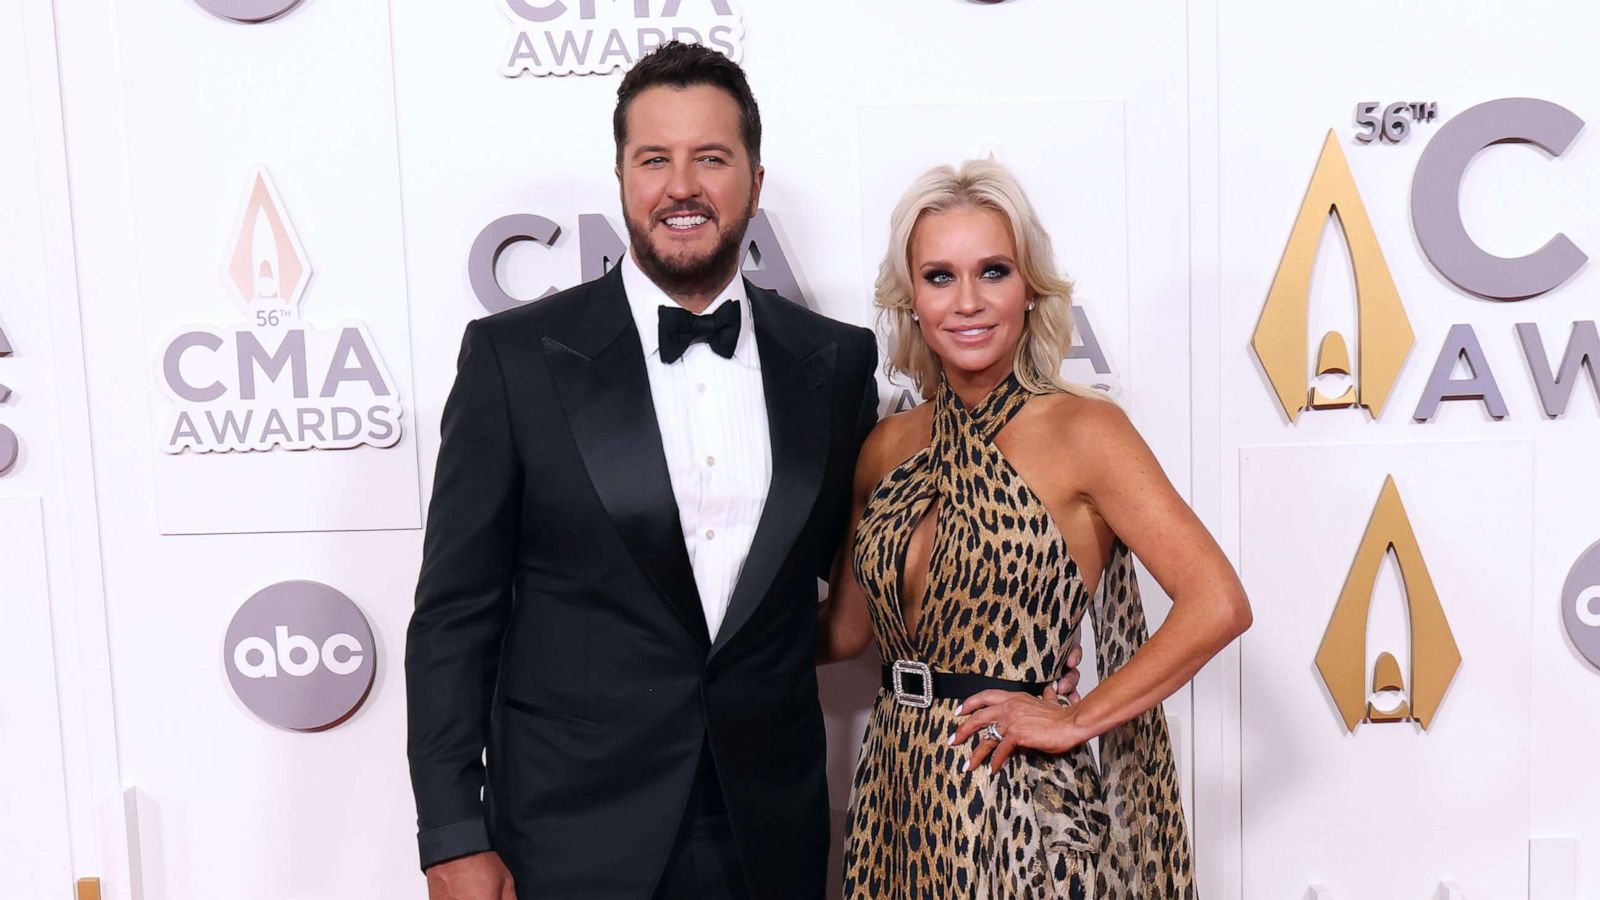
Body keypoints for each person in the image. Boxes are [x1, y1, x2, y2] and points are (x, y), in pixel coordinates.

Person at [403, 42, 881, 900]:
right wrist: (451, 834)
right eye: (654, 158)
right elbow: (453, 617)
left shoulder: (837, 364)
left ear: (755, 182)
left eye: (712, 158)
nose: (682, 185)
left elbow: (862, 577)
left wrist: (1004, 667)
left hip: (766, 831)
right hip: (568, 835)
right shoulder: (515, 362)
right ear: (622, 177)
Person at [817, 159, 1253, 898]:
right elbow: (848, 632)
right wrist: (703, 652)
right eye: (939, 276)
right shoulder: (887, 447)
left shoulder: (1085, 431)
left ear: (1029, 291)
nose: (968, 302)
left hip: (1019, 795)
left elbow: (1218, 602)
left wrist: (1076, 717)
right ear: (911, 300)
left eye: (993, 271)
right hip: (899, 792)